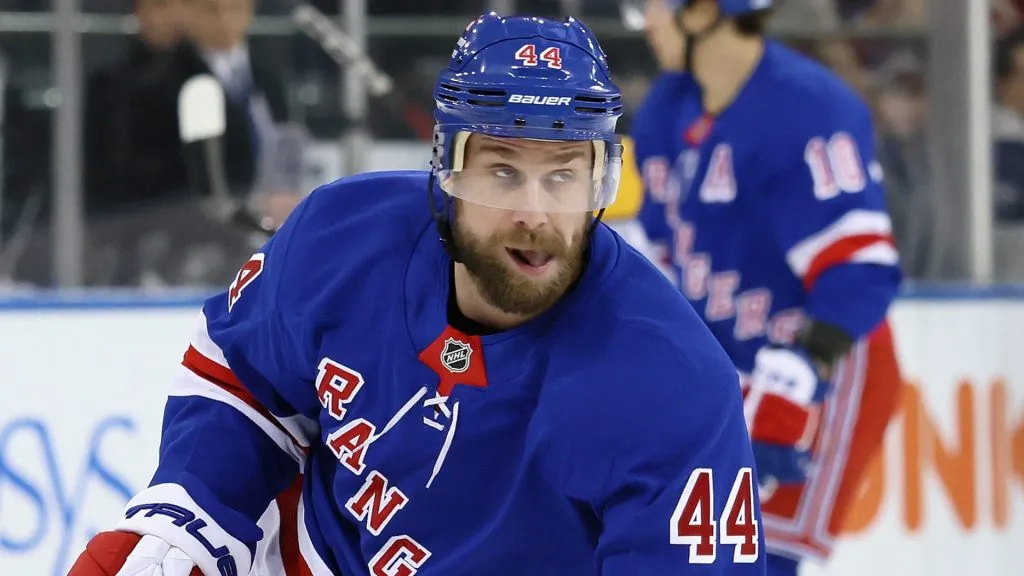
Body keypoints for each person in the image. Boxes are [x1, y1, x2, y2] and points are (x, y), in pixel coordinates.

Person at [68, 12, 765, 576]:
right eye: (500, 170)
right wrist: (194, 507)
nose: (535, 211)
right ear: (445, 169)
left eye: (563, 174)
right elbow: (241, 372)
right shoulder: (340, 233)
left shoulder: (673, 388)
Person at [626, 1, 904, 574]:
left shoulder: (808, 108)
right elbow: (662, 257)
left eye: (655, 4)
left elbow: (858, 268)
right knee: (681, 550)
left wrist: (804, 370)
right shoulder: (664, 110)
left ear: (704, 11)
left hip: (824, 369)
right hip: (733, 366)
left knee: (755, 555)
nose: (646, 21)